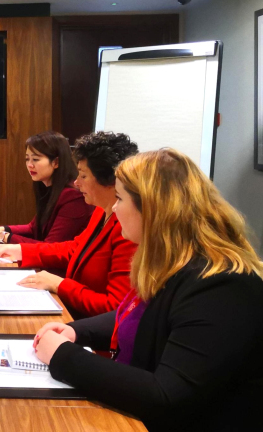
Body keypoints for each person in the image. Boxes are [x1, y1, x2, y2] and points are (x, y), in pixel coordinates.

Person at [32, 149, 263, 431]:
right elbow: (141, 315)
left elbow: (166, 395)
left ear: (152, 208)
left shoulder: (221, 285)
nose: (114, 208)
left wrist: (63, 356)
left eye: (119, 198)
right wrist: (77, 331)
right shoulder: (175, 260)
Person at [0, 131, 138, 318]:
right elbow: (74, 248)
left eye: (83, 176)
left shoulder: (129, 229)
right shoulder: (101, 210)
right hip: (73, 311)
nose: (77, 182)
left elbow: (115, 308)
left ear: (109, 181)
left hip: (87, 324)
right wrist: (20, 250)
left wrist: (58, 284)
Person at [0, 131, 93, 245]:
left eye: (35, 159)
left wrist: (3, 236)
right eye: (27, 159)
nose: (29, 165)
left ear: (56, 162)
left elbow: (50, 247)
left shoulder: (74, 196)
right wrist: (3, 229)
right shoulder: (47, 186)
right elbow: (33, 228)